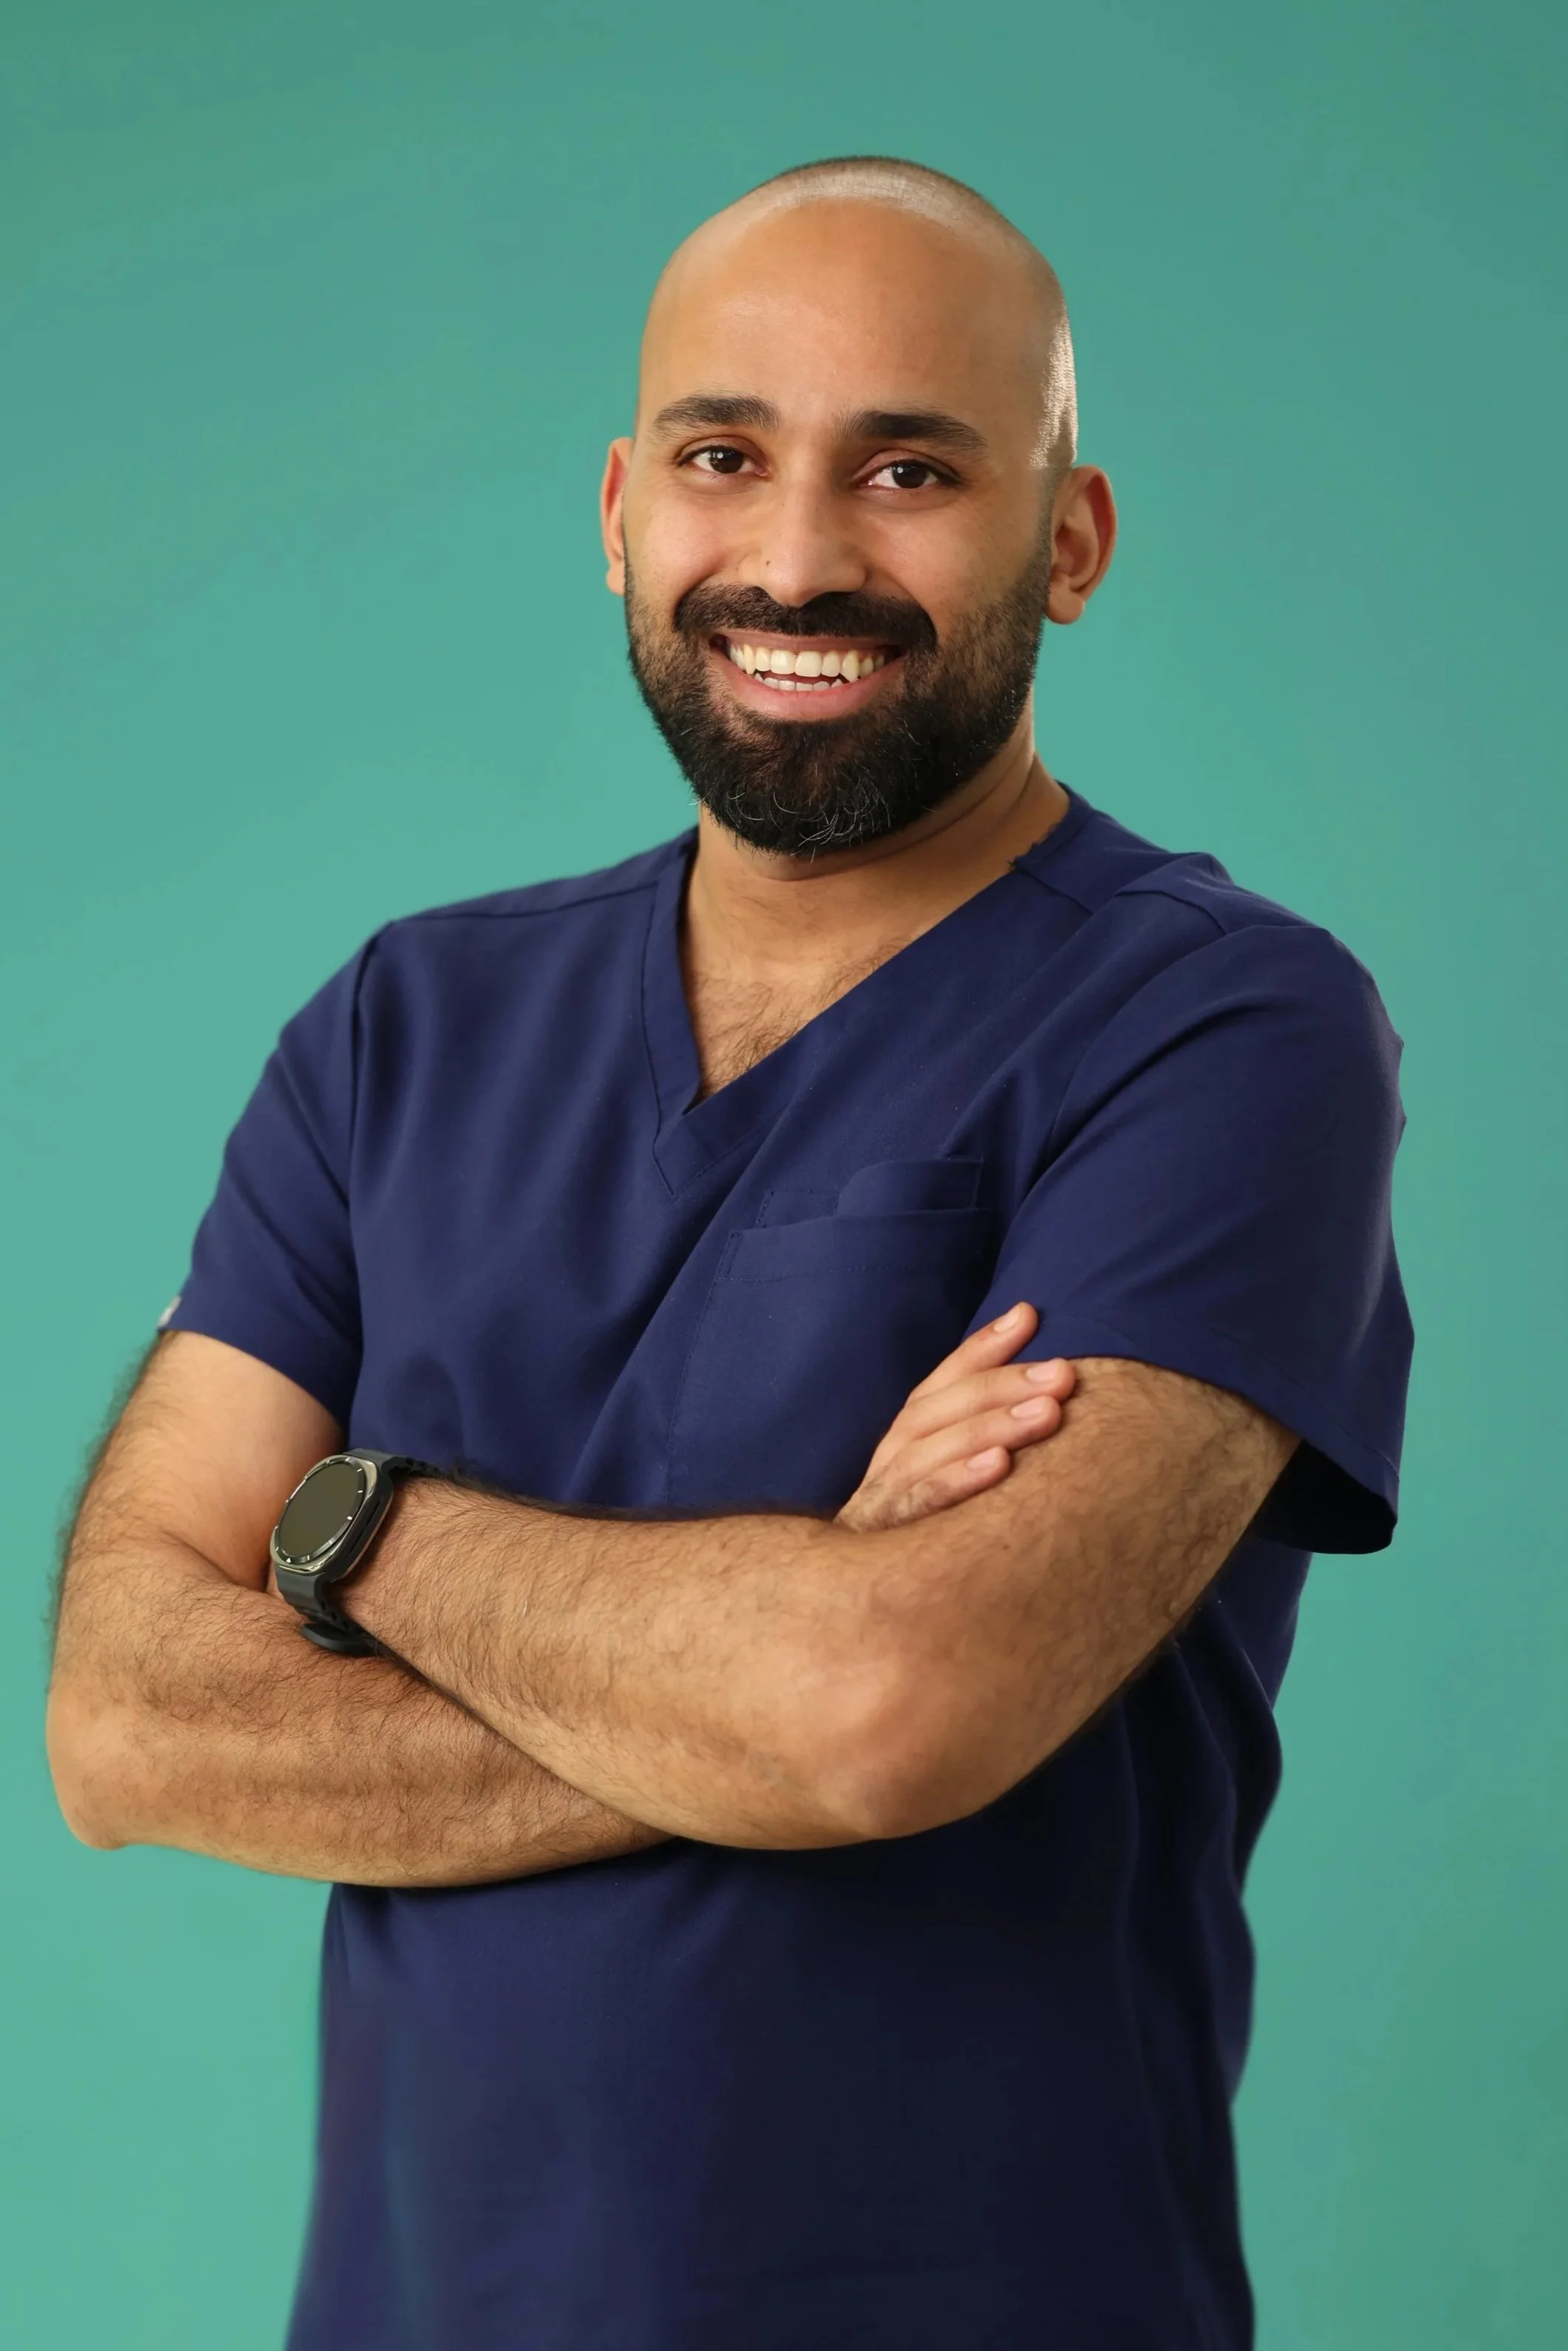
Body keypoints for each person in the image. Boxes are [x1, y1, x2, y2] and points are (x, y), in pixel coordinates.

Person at [47, 155, 1413, 2350]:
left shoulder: (1221, 1030)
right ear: (616, 509)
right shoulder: (405, 1026)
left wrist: (354, 1532)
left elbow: (887, 1705)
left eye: (908, 468)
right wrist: (768, 1637)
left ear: (1065, 538)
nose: (792, 556)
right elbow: (120, 1718)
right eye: (720, 457)